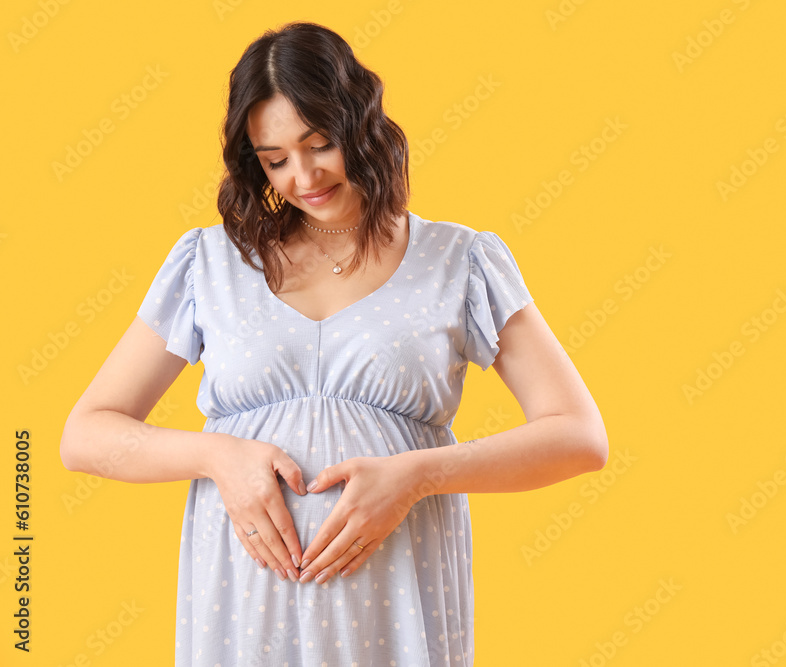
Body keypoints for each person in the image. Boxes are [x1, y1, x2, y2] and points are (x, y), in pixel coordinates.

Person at [60, 20, 608, 667]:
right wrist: (217, 456)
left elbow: (578, 435)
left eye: (319, 144)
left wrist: (416, 475)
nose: (303, 175)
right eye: (275, 160)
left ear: (361, 124)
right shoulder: (209, 262)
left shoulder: (459, 260)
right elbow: (85, 434)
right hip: (241, 604)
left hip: (394, 597)